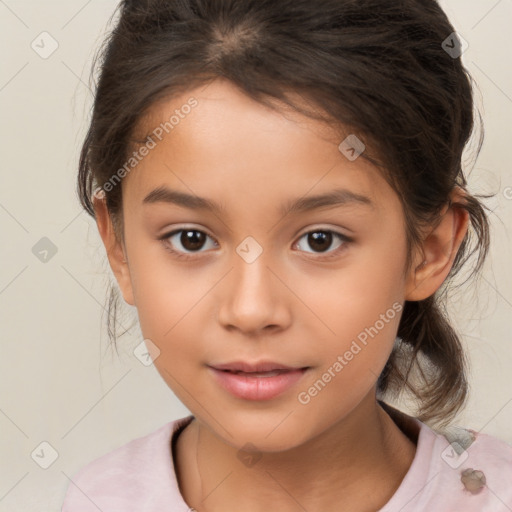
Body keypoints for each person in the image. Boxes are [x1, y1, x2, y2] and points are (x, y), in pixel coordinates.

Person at [61, 0, 512, 510]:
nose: (251, 310)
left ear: (428, 251)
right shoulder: (94, 499)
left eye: (321, 240)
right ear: (119, 248)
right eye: (191, 239)